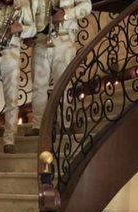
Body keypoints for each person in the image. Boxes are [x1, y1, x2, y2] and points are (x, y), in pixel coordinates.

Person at [25, 0, 91, 136]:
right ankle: (39, 125)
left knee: (63, 85)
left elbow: (87, 6)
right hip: (41, 40)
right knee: (38, 86)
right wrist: (27, 34)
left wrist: (66, 14)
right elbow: (28, 12)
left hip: (63, 40)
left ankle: (65, 124)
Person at [0, 0, 35, 155]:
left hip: (11, 53)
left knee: (12, 99)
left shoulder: (21, 4)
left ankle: (9, 140)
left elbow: (34, 29)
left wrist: (21, 28)